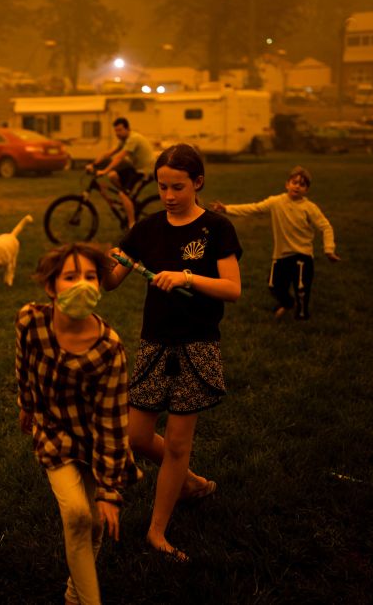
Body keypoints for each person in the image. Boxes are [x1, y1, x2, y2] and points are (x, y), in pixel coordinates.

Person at [103, 143, 242, 562]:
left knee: (178, 444)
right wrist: (90, 266)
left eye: (177, 187)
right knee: (137, 436)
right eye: (163, 186)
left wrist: (186, 277)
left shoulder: (216, 229)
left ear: (197, 183)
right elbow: (111, 281)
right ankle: (192, 482)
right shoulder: (147, 229)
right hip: (155, 343)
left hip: (197, 344)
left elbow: (232, 289)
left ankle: (157, 531)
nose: (168, 196)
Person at [16, 242, 140, 605]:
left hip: (95, 441)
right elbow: (23, 363)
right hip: (53, 432)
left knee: (95, 522)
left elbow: (112, 423)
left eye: (90, 276)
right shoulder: (30, 320)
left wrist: (110, 492)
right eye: (71, 277)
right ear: (50, 287)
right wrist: (26, 403)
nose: (83, 284)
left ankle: (75, 590)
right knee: (76, 513)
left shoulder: (109, 350)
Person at [209, 166, 340, 320]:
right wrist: (226, 209)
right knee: (274, 286)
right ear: (287, 184)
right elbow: (254, 208)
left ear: (307, 189)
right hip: (281, 254)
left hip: (302, 254)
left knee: (301, 288)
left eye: (302, 184)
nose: (297, 186)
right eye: (294, 182)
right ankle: (288, 303)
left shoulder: (309, 208)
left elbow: (325, 226)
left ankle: (302, 316)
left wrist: (329, 249)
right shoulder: (276, 202)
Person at [87, 117, 156, 228]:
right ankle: (129, 198)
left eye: (119, 130)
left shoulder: (133, 138)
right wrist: (93, 164)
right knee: (112, 175)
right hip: (136, 168)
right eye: (115, 131)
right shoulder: (124, 140)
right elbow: (109, 153)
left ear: (127, 128)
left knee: (123, 194)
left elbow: (119, 157)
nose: (117, 133)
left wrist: (104, 170)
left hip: (145, 171)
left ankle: (132, 225)